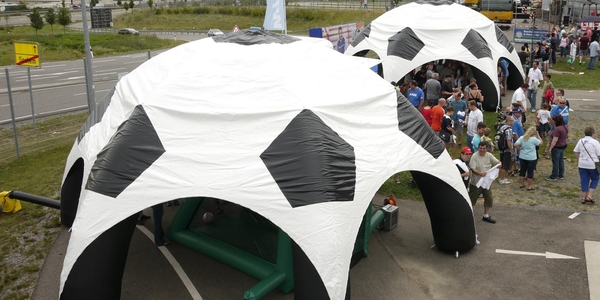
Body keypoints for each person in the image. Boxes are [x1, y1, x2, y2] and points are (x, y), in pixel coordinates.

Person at [468, 141, 501, 224]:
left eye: (484, 148)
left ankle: (486, 215)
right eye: (480, 148)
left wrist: (499, 163)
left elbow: (497, 162)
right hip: (476, 183)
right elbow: (473, 168)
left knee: (489, 198)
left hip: (486, 183)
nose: (482, 150)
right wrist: (480, 173)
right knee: (472, 200)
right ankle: (467, 215)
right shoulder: (474, 156)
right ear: (478, 148)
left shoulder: (489, 155)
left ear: (487, 148)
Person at [574, 126, 600, 204]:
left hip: (582, 164)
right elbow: (599, 154)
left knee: (584, 180)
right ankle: (590, 196)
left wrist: (579, 159)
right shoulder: (595, 142)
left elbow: (576, 151)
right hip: (592, 164)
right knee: (595, 178)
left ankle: (583, 197)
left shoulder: (580, 141)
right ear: (592, 133)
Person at [546, 115, 568, 181]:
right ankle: (561, 175)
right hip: (563, 145)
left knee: (555, 161)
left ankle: (554, 176)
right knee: (561, 160)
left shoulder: (558, 129)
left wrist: (550, 148)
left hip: (557, 146)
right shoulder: (565, 126)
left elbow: (555, 140)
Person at [497, 116, 515, 185]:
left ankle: (500, 177)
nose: (513, 122)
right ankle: (502, 179)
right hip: (506, 149)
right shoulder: (509, 129)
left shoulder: (502, 127)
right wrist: (511, 150)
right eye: (512, 121)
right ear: (509, 121)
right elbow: (509, 140)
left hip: (501, 148)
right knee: (505, 165)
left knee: (501, 163)